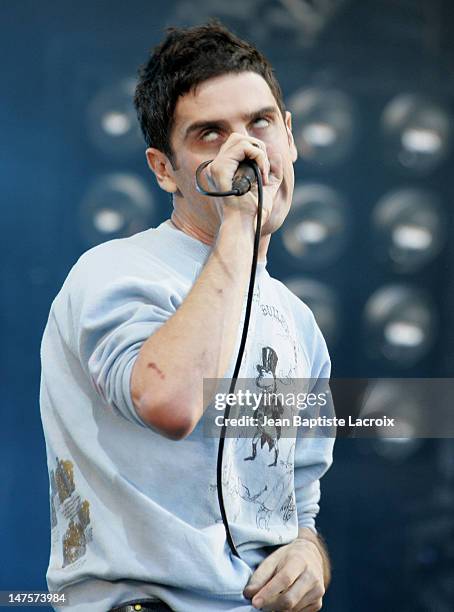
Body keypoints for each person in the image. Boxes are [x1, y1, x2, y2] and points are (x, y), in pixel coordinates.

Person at [40, 20, 335, 612]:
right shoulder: (114, 272)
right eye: (210, 135)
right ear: (163, 169)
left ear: (291, 137)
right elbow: (170, 403)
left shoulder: (300, 323)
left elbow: (299, 503)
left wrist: (309, 555)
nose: (246, 151)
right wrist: (237, 227)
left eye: (261, 123)